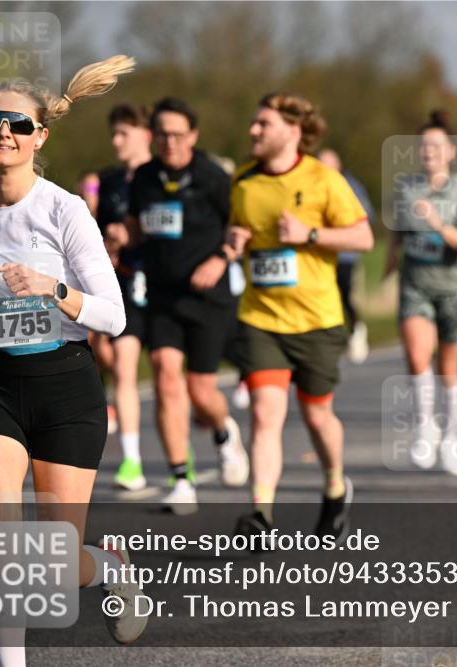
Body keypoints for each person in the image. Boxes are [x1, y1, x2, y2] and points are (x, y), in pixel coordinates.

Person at [0, 56, 148, 664]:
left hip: (66, 388)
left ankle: (107, 567)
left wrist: (53, 289)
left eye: (18, 123)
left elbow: (113, 316)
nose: (5, 132)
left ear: (40, 135)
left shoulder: (64, 210)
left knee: (54, 565)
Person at [228, 92, 373, 542]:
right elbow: (240, 234)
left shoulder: (324, 180)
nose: (253, 130)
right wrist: (233, 241)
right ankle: (261, 514)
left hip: (316, 318)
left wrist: (310, 233)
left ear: (292, 131)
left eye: (263, 124)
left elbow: (364, 236)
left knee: (317, 418)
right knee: (266, 413)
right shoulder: (243, 181)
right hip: (262, 317)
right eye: (253, 123)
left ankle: (334, 486)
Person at [114, 97, 248, 515]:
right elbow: (138, 228)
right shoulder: (145, 179)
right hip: (163, 296)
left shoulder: (213, 177)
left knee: (200, 389)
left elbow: (240, 231)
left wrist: (219, 260)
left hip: (209, 298)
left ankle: (224, 430)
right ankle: (181, 478)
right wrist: (121, 239)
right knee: (167, 380)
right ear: (153, 138)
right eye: (163, 135)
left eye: (178, 134)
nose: (170, 142)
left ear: (193, 135)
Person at [385, 111, 457, 477]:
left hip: (453, 290)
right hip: (415, 285)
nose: (429, 151)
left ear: (451, 152)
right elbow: (397, 233)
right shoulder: (405, 188)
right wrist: (389, 265)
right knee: (415, 355)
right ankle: (426, 425)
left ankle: (451, 439)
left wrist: (438, 224)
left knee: (448, 370)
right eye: (424, 145)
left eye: (437, 146)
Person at [92, 103, 153, 490]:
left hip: (161, 283)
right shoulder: (109, 179)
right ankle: (132, 461)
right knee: (122, 366)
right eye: (113, 133)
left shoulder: (161, 176)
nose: (116, 141)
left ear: (145, 134)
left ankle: (217, 430)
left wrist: (135, 235)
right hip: (124, 284)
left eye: (124, 133)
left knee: (172, 377)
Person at [318, 147, 375, 364]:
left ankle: (356, 329)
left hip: (345, 255)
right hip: (320, 254)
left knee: (344, 293)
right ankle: (331, 337)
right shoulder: (311, 186)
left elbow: (364, 215)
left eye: (328, 164)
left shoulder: (350, 187)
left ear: (338, 166)